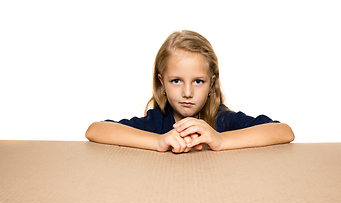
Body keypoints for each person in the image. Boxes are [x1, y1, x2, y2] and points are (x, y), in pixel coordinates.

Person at [86, 30, 294, 153]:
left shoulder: (222, 120)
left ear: (211, 83)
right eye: (176, 80)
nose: (187, 92)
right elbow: (95, 130)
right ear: (162, 83)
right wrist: (158, 141)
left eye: (198, 81)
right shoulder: (158, 121)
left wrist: (221, 140)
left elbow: (284, 131)